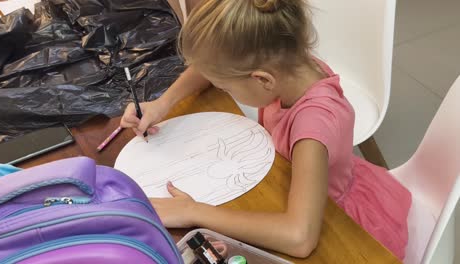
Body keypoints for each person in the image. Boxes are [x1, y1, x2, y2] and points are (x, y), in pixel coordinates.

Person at [120, 0, 411, 259]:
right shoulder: (287, 63)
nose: (220, 87)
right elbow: (210, 67)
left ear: (262, 80)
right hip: (288, 181)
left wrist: (193, 211)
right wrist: (163, 103)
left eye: (224, 86)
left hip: (334, 222)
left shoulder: (311, 129)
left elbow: (300, 238)